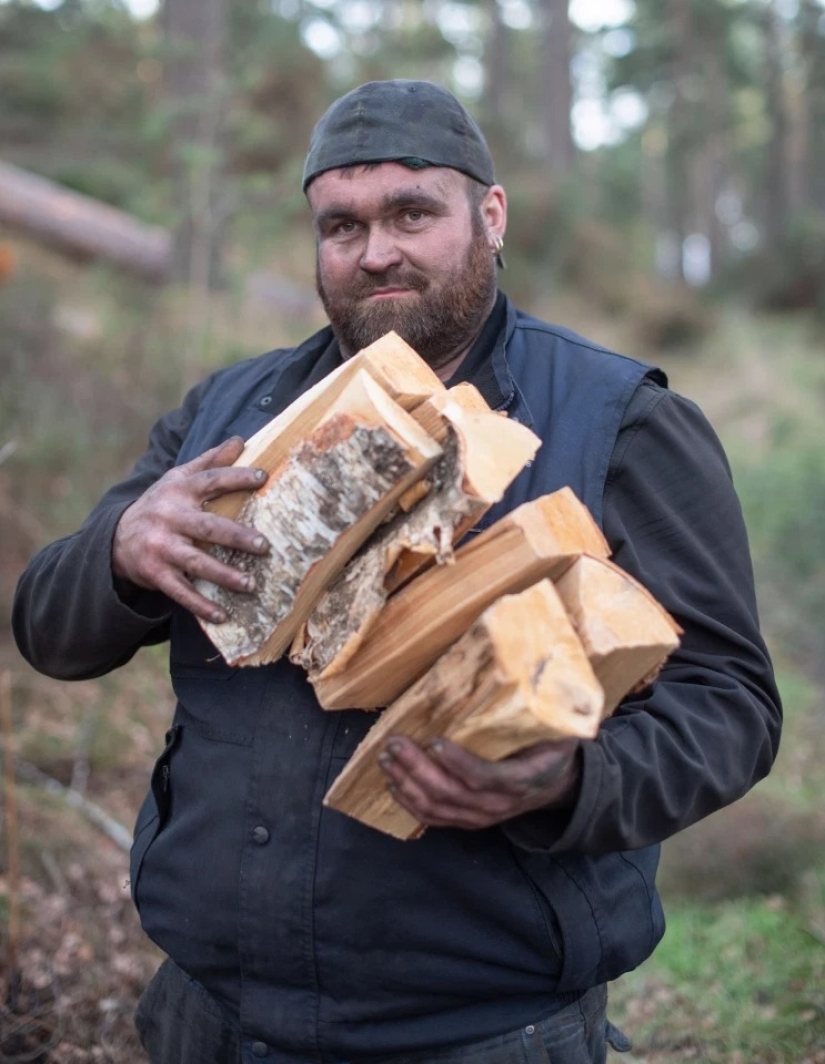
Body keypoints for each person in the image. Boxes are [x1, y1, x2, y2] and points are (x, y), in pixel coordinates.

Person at [13, 80, 781, 1064]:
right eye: (342, 224)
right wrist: (120, 553)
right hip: (209, 1017)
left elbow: (731, 703)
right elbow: (47, 629)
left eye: (411, 212)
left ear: (490, 216)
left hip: (485, 1030)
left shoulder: (618, 418)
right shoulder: (226, 414)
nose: (375, 250)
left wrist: (573, 780)